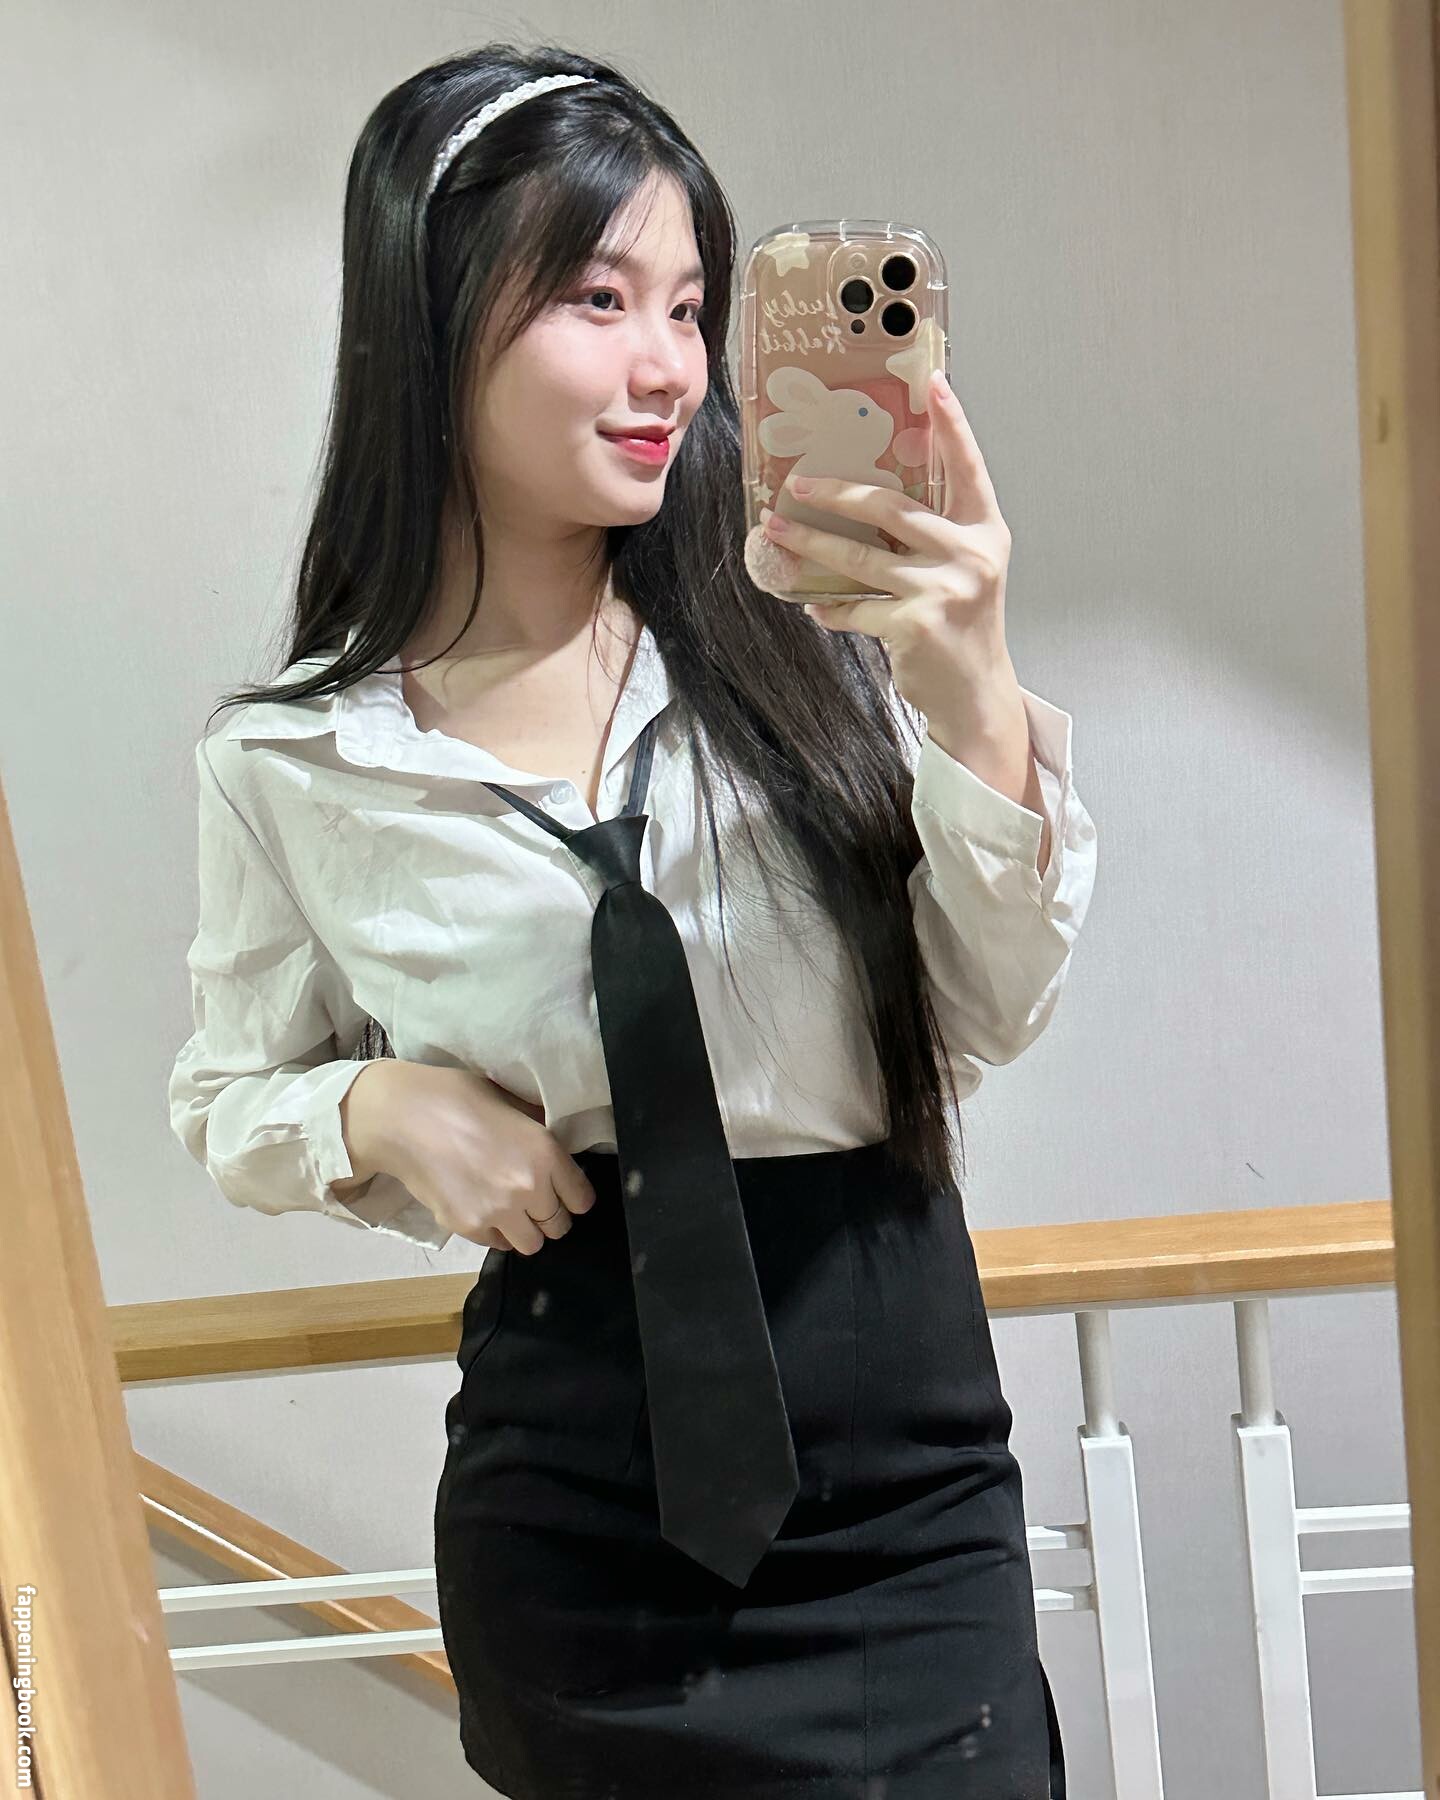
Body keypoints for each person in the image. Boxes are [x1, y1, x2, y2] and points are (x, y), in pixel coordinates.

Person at [167, 41, 1097, 1800]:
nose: (669, 363)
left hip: (900, 1493)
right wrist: (377, 1106)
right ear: (431, 316)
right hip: (573, 1515)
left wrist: (975, 688)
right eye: (600, 299)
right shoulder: (295, 763)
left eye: (689, 306)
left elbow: (986, 1011)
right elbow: (226, 1095)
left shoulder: (813, 647)